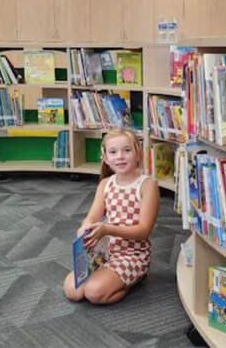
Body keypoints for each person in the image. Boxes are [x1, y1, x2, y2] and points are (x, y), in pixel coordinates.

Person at [63, 129, 157, 304]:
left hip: (133, 254)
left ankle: (131, 281)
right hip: (104, 250)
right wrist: (85, 228)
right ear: (106, 158)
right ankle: (108, 277)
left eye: (127, 150)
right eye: (113, 152)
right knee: (73, 291)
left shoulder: (147, 185)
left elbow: (144, 231)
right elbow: (92, 217)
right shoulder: (105, 184)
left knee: (94, 293)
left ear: (138, 154)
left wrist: (107, 229)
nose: (120, 156)